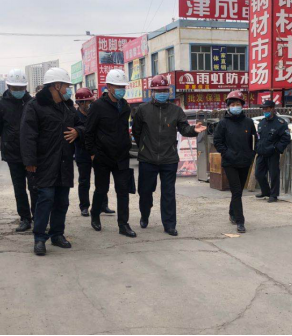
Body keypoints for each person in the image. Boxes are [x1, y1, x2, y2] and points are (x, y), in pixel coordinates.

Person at [132, 74, 207, 237]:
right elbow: (137, 132)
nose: (162, 93)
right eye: (159, 91)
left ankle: (169, 225)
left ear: (169, 91)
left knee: (168, 193)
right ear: (152, 92)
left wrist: (194, 130)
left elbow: (184, 129)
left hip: (169, 159)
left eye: (164, 90)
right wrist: (144, 147)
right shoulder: (142, 110)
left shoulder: (176, 110)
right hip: (147, 159)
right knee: (145, 191)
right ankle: (145, 215)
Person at [21, 68, 83, 256]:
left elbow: (82, 124)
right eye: (66, 86)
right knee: (45, 199)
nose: (68, 90)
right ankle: (40, 238)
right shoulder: (35, 106)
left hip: (64, 162)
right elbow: (27, 135)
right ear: (56, 86)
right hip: (44, 162)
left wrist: (78, 131)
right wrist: (30, 160)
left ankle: (57, 234)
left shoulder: (68, 107)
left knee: (62, 201)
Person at [84, 69, 137, 238]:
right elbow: (89, 132)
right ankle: (95, 214)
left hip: (121, 156)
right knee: (102, 189)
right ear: (109, 86)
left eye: (123, 86)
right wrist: (93, 153)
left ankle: (123, 224)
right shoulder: (97, 106)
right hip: (102, 156)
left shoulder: (125, 106)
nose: (121, 89)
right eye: (118, 86)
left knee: (123, 191)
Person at [0, 69, 37, 232]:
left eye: (21, 88)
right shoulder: (1, 105)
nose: (19, 91)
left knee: (35, 187)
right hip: (12, 153)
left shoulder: (32, 103)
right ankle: (25, 218)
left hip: (31, 153)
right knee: (19, 188)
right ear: (9, 87)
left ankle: (38, 217)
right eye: (15, 88)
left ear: (26, 87)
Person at [213, 91, 257, 234]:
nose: (235, 107)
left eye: (238, 104)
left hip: (245, 161)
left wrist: (251, 154)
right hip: (230, 162)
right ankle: (240, 221)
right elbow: (217, 141)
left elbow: (254, 140)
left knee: (238, 192)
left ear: (242, 105)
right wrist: (226, 153)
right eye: (232, 104)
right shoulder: (223, 123)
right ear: (228, 106)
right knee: (236, 191)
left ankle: (232, 212)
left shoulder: (249, 123)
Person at [73, 88, 115, 218]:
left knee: (101, 180)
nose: (91, 104)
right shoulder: (74, 116)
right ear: (80, 103)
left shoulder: (96, 113)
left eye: (92, 101)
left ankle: (103, 205)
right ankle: (84, 206)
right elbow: (75, 131)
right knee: (84, 180)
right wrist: (80, 131)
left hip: (97, 151)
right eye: (88, 102)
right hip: (82, 152)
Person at [255, 100, 291, 204]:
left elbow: (286, 139)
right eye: (263, 109)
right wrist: (257, 147)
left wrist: (276, 149)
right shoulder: (262, 123)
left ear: (272, 109)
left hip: (272, 153)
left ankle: (274, 195)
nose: (264, 110)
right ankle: (266, 191)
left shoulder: (280, 123)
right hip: (261, 153)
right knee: (258, 174)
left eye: (266, 108)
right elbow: (258, 138)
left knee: (274, 175)